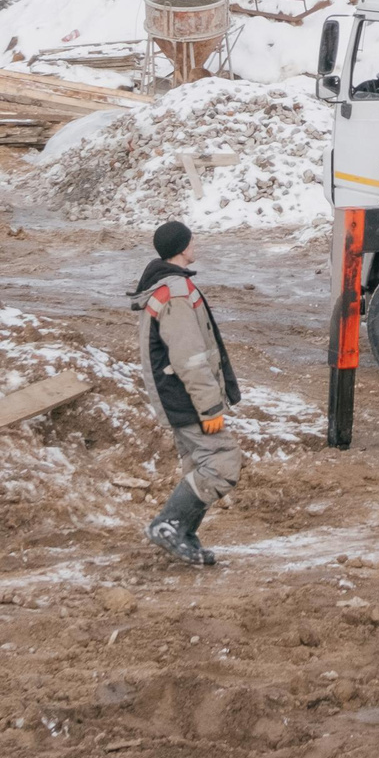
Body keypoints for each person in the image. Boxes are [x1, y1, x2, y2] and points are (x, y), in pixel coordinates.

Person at [133, 219, 241, 568]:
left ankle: (183, 533)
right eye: (192, 240)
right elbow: (190, 359)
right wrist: (210, 410)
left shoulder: (168, 286)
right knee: (222, 463)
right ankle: (168, 525)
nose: (196, 243)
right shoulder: (175, 292)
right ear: (182, 247)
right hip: (187, 399)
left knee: (198, 463)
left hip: (178, 397)